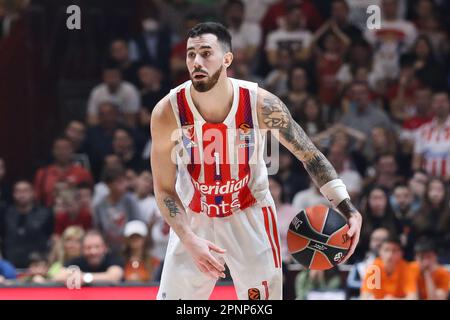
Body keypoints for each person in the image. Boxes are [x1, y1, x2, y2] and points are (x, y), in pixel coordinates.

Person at [150, 22, 362, 300]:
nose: (196, 62)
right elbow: (164, 189)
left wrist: (347, 207)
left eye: (205, 53)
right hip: (194, 218)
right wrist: (188, 239)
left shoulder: (261, 104)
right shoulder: (168, 111)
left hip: (249, 215)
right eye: (191, 54)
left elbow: (309, 154)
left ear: (227, 59)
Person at [1, 181, 53, 269]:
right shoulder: (5, 214)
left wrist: (49, 261)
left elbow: (53, 239)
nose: (22, 195)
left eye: (25, 191)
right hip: (10, 265)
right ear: (13, 194)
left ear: (33, 193)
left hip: (38, 266)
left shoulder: (45, 214)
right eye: (18, 191)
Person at [93, 167, 143, 254]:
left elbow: (138, 224)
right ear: (108, 185)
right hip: (107, 249)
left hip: (129, 249)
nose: (124, 185)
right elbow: (98, 228)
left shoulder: (130, 201)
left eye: (124, 181)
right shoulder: (100, 205)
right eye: (119, 182)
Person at [34, 137, 93, 207]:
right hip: (49, 214)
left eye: (66, 148)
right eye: (58, 148)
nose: (62, 152)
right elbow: (36, 200)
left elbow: (89, 199)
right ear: (53, 151)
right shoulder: (42, 173)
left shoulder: (83, 173)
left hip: (75, 215)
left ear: (72, 150)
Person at [54, 230, 124, 285]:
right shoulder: (77, 261)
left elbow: (114, 276)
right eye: (88, 247)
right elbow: (58, 276)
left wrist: (84, 277)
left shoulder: (113, 258)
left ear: (104, 248)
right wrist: (71, 275)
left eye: (97, 247)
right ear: (82, 249)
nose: (93, 252)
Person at [360, 235, 418, 300]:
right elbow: (364, 296)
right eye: (386, 250)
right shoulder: (374, 268)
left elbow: (413, 297)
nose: (390, 255)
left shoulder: (406, 268)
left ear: (401, 253)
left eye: (394, 250)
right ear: (380, 252)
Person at [413, 92, 450, 180]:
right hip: (427, 182)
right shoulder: (422, 130)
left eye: (443, 101)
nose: (440, 105)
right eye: (436, 102)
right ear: (432, 105)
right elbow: (416, 161)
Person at [346, 228, 389, 298]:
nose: (379, 243)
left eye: (384, 240)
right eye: (375, 240)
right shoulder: (360, 265)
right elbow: (350, 285)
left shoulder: (400, 265)